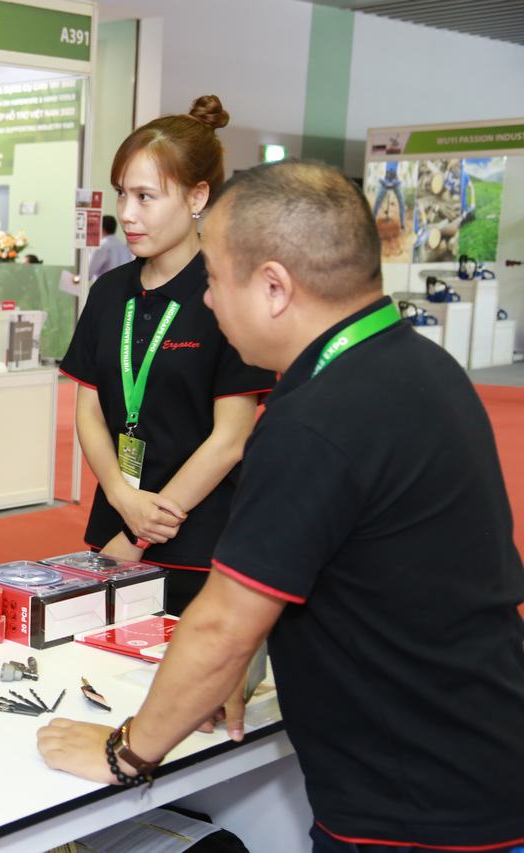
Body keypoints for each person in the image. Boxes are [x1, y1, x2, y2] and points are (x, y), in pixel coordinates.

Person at [39, 160, 524, 853]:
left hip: (412, 806)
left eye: (214, 279)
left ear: (273, 287)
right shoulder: (420, 367)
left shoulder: (317, 419)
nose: (209, 301)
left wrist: (126, 752)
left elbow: (221, 625)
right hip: (478, 750)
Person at [57, 95, 274, 616]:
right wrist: (122, 499)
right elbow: (89, 411)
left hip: (199, 541)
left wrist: (143, 530)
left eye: (146, 197)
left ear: (197, 196)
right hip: (116, 527)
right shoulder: (109, 292)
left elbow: (230, 439)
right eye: (122, 194)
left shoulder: (227, 294)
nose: (127, 214)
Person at [86, 214, 134, 283]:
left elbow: (88, 274)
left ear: (101, 228)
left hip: (105, 287)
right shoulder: (124, 247)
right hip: (123, 287)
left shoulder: (102, 246)